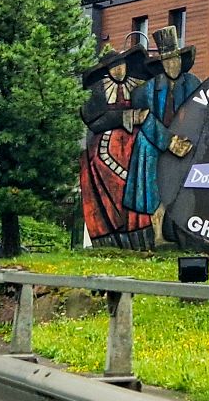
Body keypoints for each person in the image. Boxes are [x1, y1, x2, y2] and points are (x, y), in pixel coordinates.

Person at [123, 25, 199, 246]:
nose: (172, 65)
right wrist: (168, 142)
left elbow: (200, 114)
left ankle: (183, 232)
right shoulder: (146, 90)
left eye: (175, 60)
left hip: (184, 144)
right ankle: (156, 235)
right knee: (153, 184)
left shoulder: (193, 83)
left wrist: (184, 141)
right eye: (168, 61)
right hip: (154, 143)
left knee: (183, 187)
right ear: (161, 64)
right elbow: (145, 119)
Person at [78, 44, 150, 247]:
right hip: (106, 145)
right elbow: (94, 119)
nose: (119, 70)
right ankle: (111, 230)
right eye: (114, 66)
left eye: (122, 65)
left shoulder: (140, 84)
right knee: (109, 179)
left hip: (134, 143)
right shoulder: (97, 89)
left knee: (138, 182)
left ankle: (139, 232)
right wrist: (125, 117)